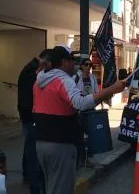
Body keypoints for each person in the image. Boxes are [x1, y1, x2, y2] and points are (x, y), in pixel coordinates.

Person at [33, 45, 127, 194]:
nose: (75, 64)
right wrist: (112, 89)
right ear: (63, 62)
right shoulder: (63, 80)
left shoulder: (39, 81)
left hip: (41, 143)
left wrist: (104, 94)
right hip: (60, 144)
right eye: (72, 60)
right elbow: (81, 103)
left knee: (51, 186)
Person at [17, 49, 52, 193]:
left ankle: (28, 176)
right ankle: (34, 183)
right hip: (30, 114)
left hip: (27, 113)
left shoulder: (30, 68)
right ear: (45, 61)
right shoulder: (32, 71)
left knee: (29, 148)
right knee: (32, 151)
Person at [74, 59, 100, 167]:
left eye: (90, 65)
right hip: (80, 110)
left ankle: (87, 159)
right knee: (79, 136)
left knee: (90, 135)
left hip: (90, 109)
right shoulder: (76, 77)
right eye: (86, 64)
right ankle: (79, 159)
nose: (88, 66)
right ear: (81, 66)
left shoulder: (93, 77)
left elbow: (96, 92)